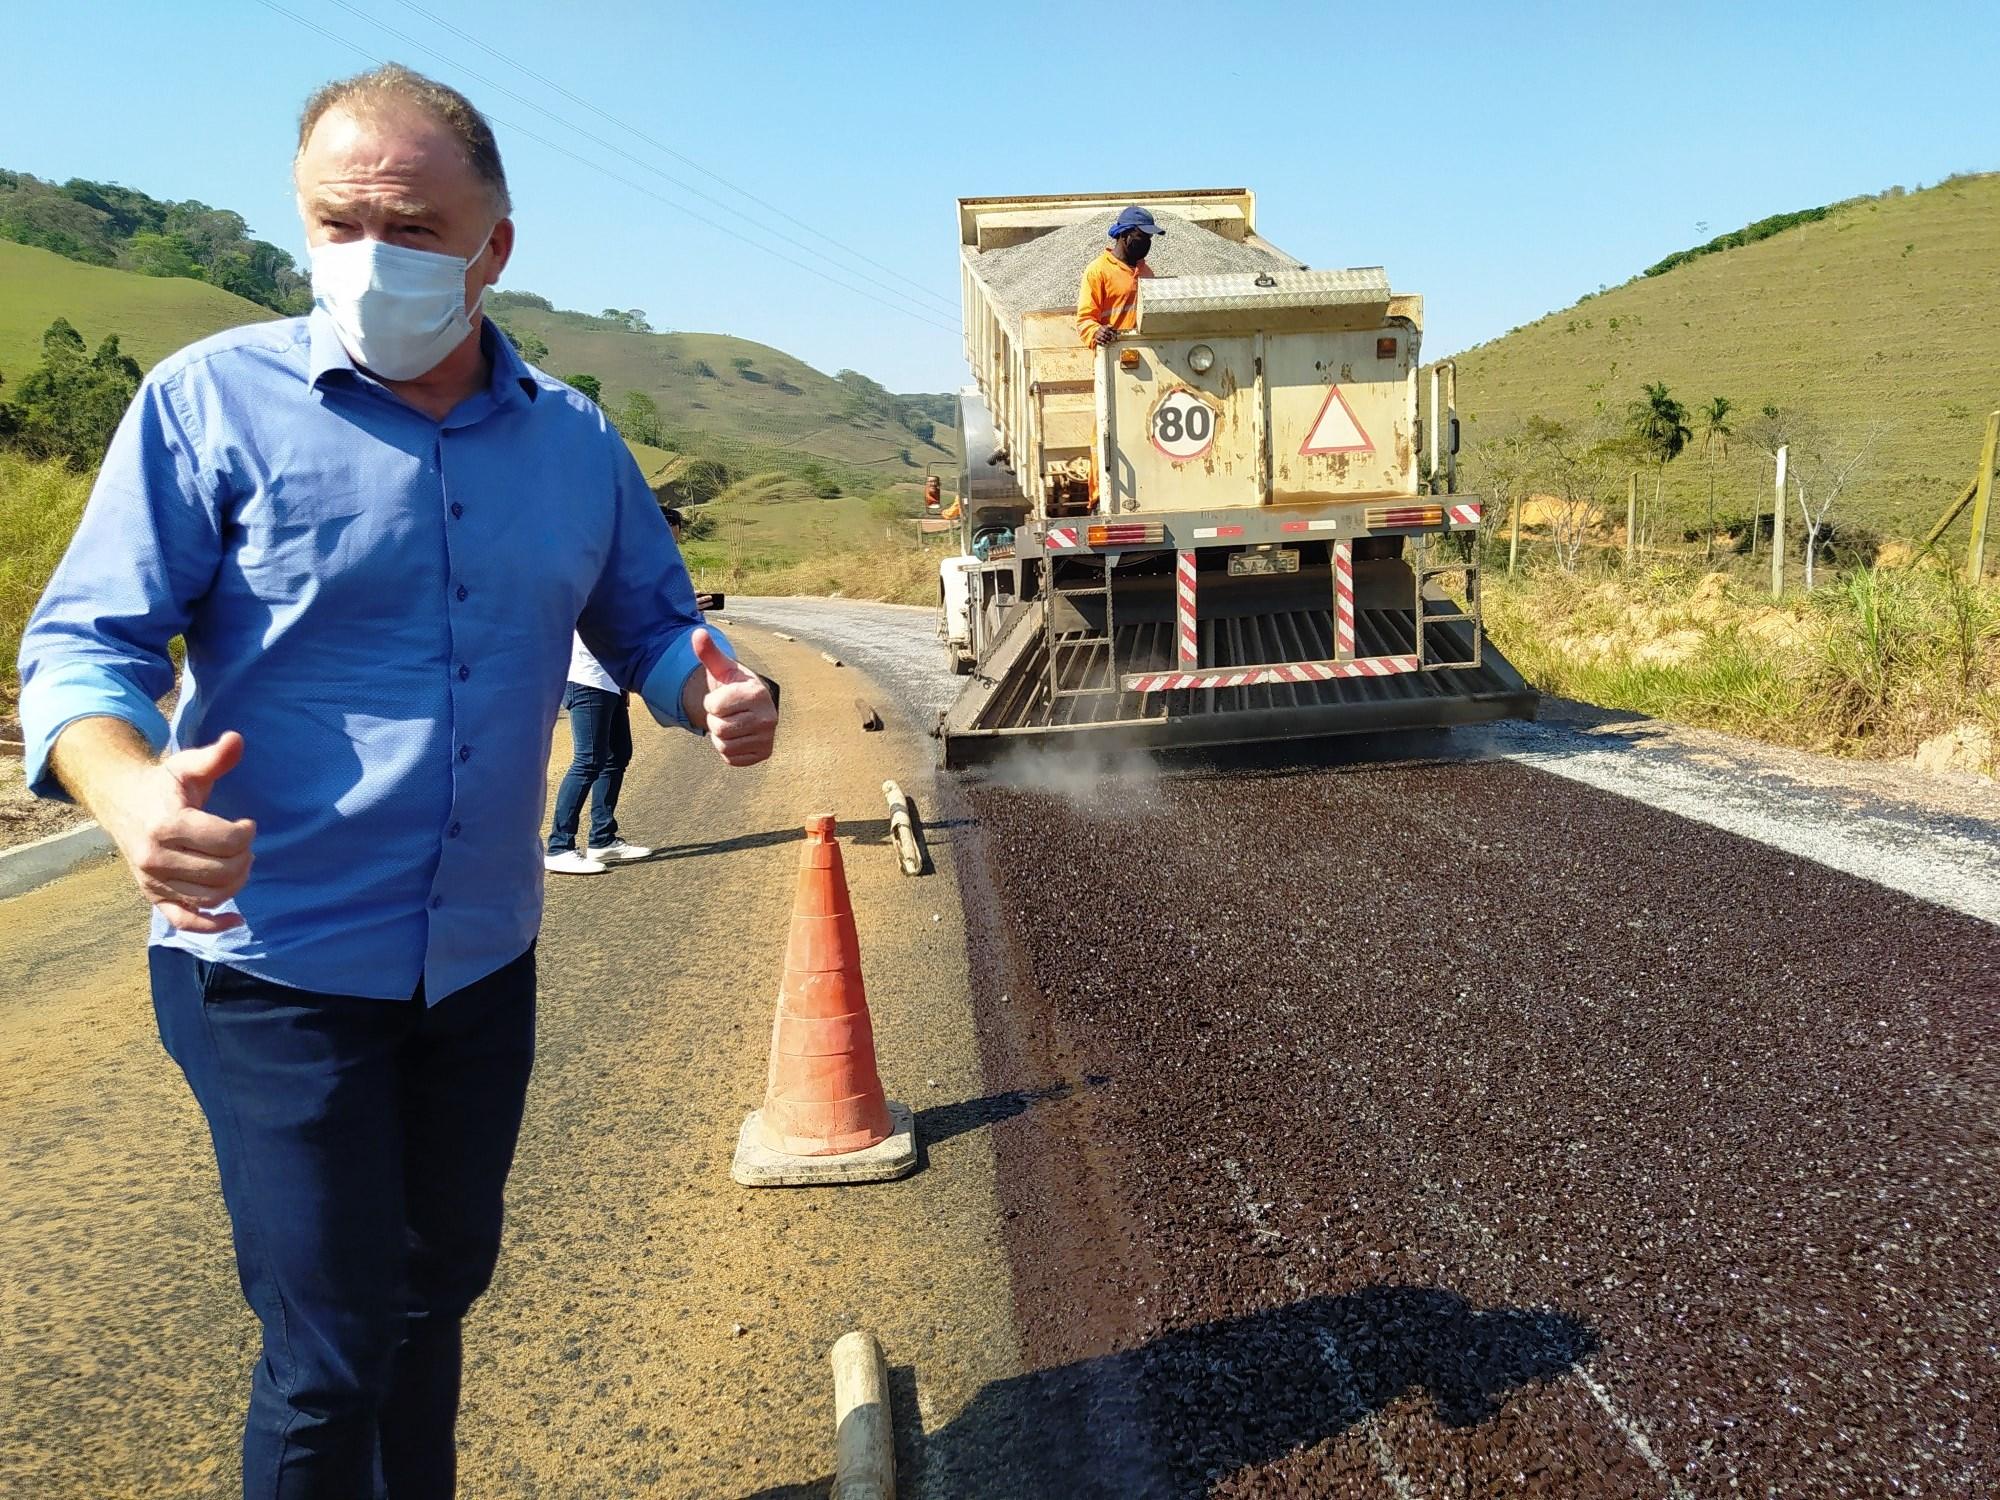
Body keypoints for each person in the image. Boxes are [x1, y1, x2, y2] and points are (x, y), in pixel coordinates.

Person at [14, 64, 777, 1499]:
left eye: (413, 226)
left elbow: (652, 620)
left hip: (480, 963)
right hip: (273, 965)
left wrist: (713, 689)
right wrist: (128, 799)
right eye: (333, 224)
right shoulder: (205, 405)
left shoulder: (573, 441)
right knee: (333, 1345)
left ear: (494, 244)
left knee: (437, 1301)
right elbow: (78, 649)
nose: (370, 260)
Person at [1076, 204, 1163, 348]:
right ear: (1124, 235)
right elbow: (1085, 319)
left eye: (1149, 237)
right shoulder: (1098, 270)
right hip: (1112, 353)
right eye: (1142, 236)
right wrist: (1096, 331)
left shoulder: (1147, 272)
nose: (1147, 242)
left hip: (1146, 353)